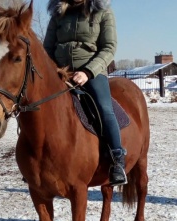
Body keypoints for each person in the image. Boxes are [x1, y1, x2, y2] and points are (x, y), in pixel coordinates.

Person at [44, 0, 127, 186]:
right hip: (60, 70)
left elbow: (109, 47)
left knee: (104, 108)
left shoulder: (102, 11)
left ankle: (117, 160)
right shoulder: (58, 13)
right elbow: (47, 48)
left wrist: (88, 72)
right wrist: (54, 71)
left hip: (91, 71)